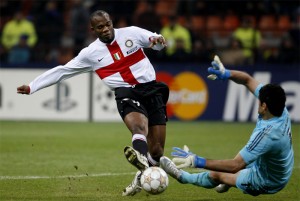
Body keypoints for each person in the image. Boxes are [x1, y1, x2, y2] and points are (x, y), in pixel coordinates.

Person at [17, 10, 168, 196]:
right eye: (100, 27)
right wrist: (32, 86)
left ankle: (142, 174)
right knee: (139, 127)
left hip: (151, 89)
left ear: (111, 22)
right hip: (126, 92)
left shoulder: (132, 33)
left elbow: (156, 42)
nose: (106, 29)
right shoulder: (90, 54)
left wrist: (159, 42)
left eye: (108, 24)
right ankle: (144, 163)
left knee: (158, 151)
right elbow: (63, 71)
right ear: (93, 30)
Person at [160, 55, 294, 196]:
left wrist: (197, 161)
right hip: (275, 165)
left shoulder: (267, 135)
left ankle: (183, 177)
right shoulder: (280, 110)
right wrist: (227, 73)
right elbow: (247, 80)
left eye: (259, 100)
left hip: (268, 180)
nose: (257, 100)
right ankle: (231, 181)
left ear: (264, 106)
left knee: (218, 174)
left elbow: (235, 165)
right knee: (239, 163)